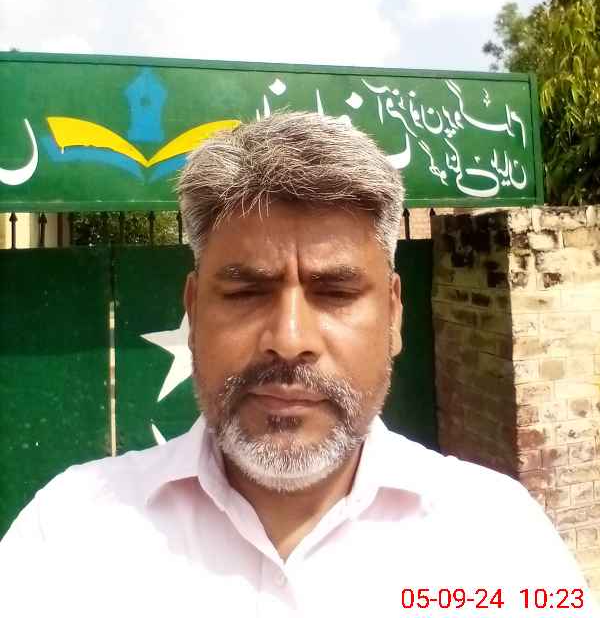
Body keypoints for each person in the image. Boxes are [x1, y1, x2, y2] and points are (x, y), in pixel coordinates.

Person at [0, 111, 596, 617]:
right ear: (193, 311)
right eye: (245, 292)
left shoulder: (499, 540)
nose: (288, 341)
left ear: (393, 315)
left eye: (335, 293)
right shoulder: (70, 535)